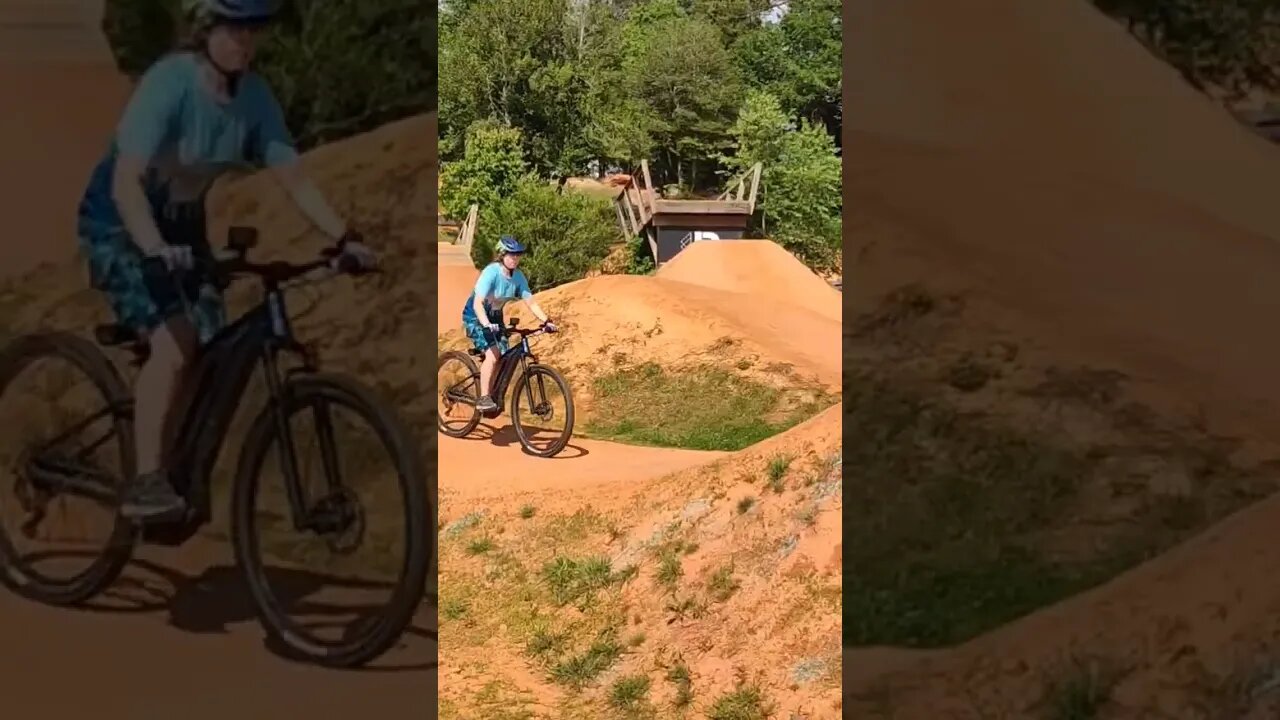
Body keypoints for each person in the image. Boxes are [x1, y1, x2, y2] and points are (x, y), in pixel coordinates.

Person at [76, 0, 375, 521]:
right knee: (175, 344)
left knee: (209, 345)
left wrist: (344, 237)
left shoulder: (254, 98)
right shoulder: (170, 83)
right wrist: (152, 247)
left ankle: (172, 464)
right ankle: (147, 479)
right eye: (234, 26)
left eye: (254, 27)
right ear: (206, 27)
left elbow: (293, 177)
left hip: (183, 227)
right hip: (122, 222)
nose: (245, 39)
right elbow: (126, 182)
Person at [462, 235, 556, 413]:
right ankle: (484, 398)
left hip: (496, 317)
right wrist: (486, 324)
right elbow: (477, 303)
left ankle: (492, 393)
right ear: (501, 255)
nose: (516, 258)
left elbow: (531, 302)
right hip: (476, 315)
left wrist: (546, 321)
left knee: (503, 356)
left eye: (518, 254)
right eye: (511, 254)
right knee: (493, 354)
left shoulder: (518, 277)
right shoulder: (491, 272)